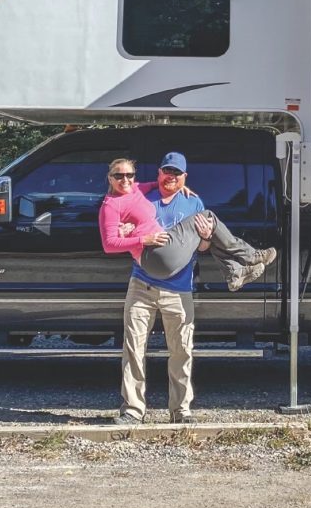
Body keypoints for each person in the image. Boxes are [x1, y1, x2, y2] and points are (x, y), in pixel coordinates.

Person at [99, 153, 276, 424]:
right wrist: (134, 234)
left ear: (185, 177)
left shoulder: (193, 202)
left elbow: (203, 248)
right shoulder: (140, 196)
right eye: (167, 171)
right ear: (158, 173)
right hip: (142, 284)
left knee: (182, 351)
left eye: (177, 173)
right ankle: (133, 410)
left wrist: (205, 237)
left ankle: (180, 411)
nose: (171, 177)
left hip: (179, 288)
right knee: (133, 349)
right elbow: (116, 232)